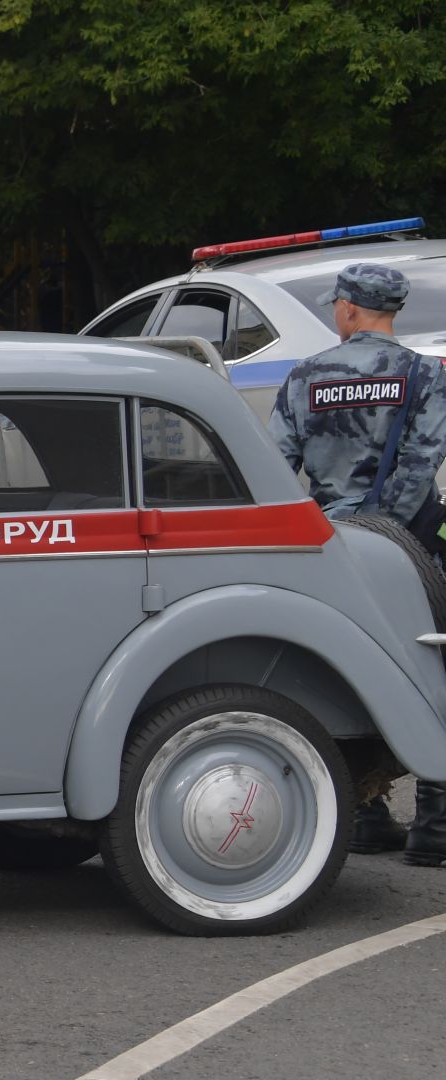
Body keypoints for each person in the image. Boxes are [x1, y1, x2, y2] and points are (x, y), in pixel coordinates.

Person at [269, 262, 446, 867]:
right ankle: (435, 822)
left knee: (337, 666)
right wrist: (387, 532)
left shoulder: (303, 377)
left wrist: (332, 527)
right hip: (405, 543)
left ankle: (362, 811)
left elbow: (275, 469)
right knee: (432, 656)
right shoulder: (424, 373)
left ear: (348, 309)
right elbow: (421, 465)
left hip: (325, 543)